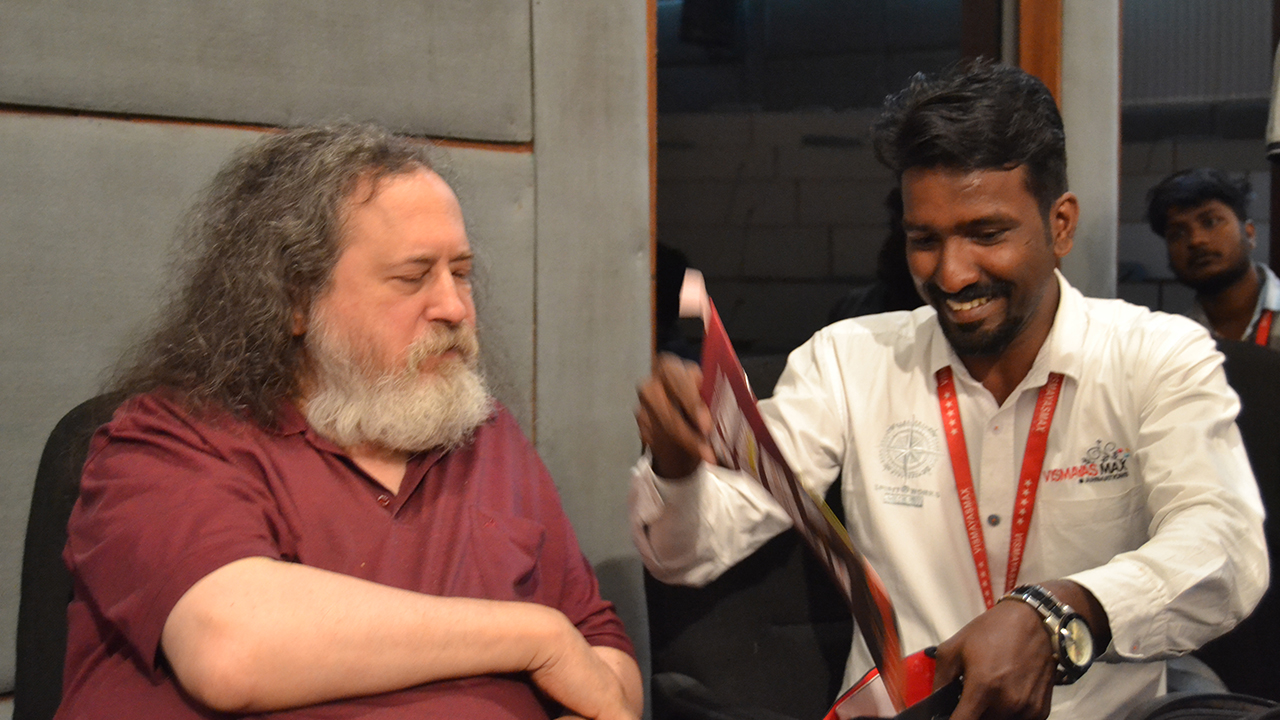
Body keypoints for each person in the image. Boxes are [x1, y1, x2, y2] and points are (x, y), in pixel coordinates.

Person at [631, 63, 1267, 720]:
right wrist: (678, 464)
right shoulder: (850, 360)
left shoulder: (1156, 355)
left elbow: (1224, 547)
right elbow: (685, 554)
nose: (953, 274)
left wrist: (1062, 611)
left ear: (1061, 225)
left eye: (986, 234)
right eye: (925, 240)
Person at [57, 123, 642, 720]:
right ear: (294, 301)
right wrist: (534, 637)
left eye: (461, 273)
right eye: (413, 278)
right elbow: (231, 648)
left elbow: (599, 646)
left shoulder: (485, 436)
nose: (454, 307)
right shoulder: (166, 441)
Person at [1145, 168, 1280, 349]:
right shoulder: (1173, 344)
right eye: (1177, 234)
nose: (1195, 240)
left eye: (1211, 222)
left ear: (1249, 234)